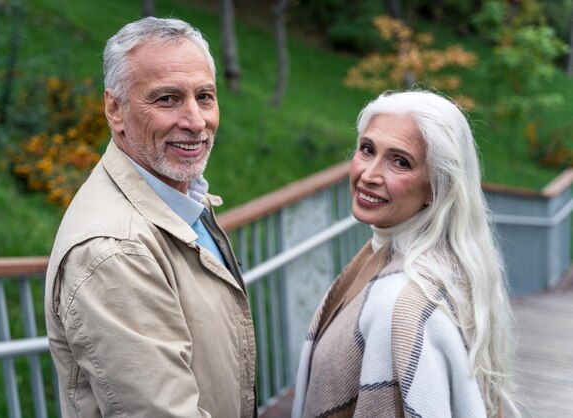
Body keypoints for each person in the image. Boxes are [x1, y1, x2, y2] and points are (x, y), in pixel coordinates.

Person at [44, 17, 256, 418]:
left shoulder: (182, 196)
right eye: (167, 99)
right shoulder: (115, 252)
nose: (196, 122)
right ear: (115, 109)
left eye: (205, 96)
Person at [292, 90, 518, 418]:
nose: (369, 175)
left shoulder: (402, 306)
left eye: (400, 161)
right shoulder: (429, 263)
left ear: (436, 186)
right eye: (367, 150)